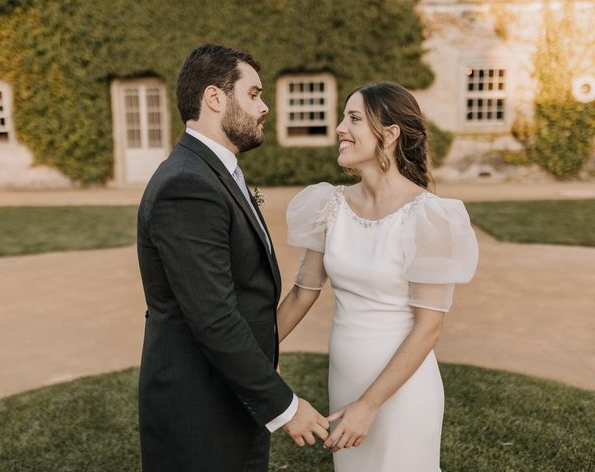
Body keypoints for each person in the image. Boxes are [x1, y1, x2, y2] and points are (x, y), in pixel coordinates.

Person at [137, 44, 329, 472]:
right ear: (214, 98)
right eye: (255, 94)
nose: (265, 107)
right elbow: (213, 316)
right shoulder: (187, 185)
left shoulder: (212, 172)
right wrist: (285, 405)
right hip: (199, 412)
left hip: (227, 395)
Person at [278, 82, 479, 471]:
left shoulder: (429, 216)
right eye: (343, 117)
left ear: (389, 135)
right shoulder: (329, 205)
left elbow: (428, 328)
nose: (339, 128)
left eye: (353, 118)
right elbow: (303, 294)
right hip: (345, 381)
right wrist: (255, 353)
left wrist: (368, 406)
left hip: (403, 391)